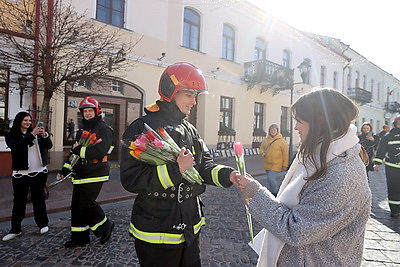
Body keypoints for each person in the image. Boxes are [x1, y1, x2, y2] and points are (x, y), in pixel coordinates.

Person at [233, 88, 371, 266]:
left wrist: (255, 192)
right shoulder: (321, 156)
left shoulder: (341, 174)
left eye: (299, 121)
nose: (296, 127)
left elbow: (297, 229)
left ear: (319, 121)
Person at [120, 62, 239, 267]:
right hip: (157, 232)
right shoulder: (142, 128)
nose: (194, 101)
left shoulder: (190, 129)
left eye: (196, 96)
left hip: (190, 228)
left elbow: (205, 166)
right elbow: (131, 178)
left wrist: (229, 175)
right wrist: (176, 170)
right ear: (170, 92)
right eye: (189, 95)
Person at [58, 96, 115, 248]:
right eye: (85, 111)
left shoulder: (105, 130)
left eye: (90, 111)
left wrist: (79, 149)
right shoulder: (81, 132)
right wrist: (65, 169)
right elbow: (74, 154)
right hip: (80, 173)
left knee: (86, 204)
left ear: (97, 112)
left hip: (96, 172)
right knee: (76, 207)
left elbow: (100, 151)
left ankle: (105, 225)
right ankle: (79, 237)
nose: (88, 114)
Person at [2, 111, 53, 241]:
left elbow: (48, 146)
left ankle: (43, 224)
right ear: (19, 121)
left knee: (38, 199)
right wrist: (32, 135)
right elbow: (17, 147)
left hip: (39, 171)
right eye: (25, 120)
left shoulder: (36, 134)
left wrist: (45, 135)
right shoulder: (11, 135)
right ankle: (15, 229)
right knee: (19, 201)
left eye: (30, 121)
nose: (28, 123)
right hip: (21, 174)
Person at [373, 115, 400, 218]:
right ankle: (394, 210)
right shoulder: (388, 136)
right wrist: (377, 163)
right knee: (393, 188)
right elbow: (381, 150)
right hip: (392, 167)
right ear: (395, 124)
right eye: (399, 123)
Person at [259, 124, 288, 196]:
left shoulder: (282, 141)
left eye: (274, 130)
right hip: (267, 163)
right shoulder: (266, 140)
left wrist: (285, 165)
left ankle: (275, 192)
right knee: (269, 179)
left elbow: (285, 154)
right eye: (271, 130)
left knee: (271, 178)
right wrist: (262, 153)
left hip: (276, 164)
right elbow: (262, 148)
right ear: (269, 131)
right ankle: (271, 191)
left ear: (277, 131)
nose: (273, 131)